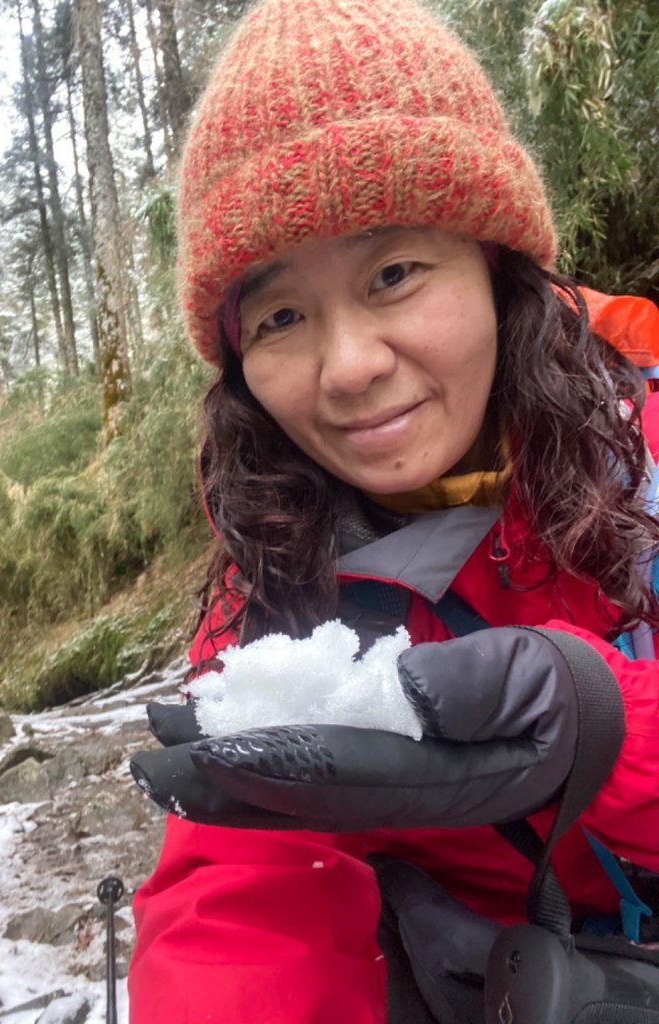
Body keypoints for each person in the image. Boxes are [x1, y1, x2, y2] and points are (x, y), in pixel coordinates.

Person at [126, 0, 659, 1020]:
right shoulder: (276, 568)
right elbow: (244, 897)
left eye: (394, 273)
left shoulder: (648, 441)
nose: (349, 366)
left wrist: (595, 724)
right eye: (282, 315)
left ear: (495, 265)